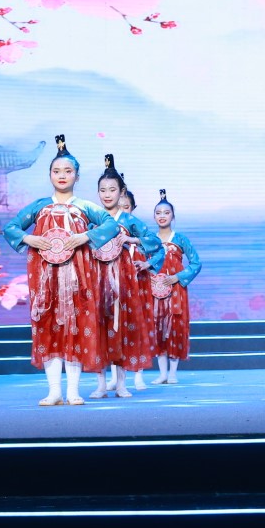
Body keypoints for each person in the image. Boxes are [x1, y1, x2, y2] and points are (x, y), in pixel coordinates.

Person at [1, 136, 115, 405]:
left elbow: (110, 224)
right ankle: (54, 391)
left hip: (78, 277)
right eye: (56, 171)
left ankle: (73, 391)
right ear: (50, 175)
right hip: (45, 278)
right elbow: (11, 227)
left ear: (77, 176)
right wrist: (29, 238)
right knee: (47, 327)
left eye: (68, 171)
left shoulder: (85, 206)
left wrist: (85, 236)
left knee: (76, 327)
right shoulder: (40, 206)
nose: (62, 175)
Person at [90, 161, 164, 398]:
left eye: (112, 190)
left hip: (123, 280)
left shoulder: (129, 220)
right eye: (102, 190)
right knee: (98, 329)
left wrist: (132, 240)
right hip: (97, 278)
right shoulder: (93, 217)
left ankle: (121, 384)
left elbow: (155, 242)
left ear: (121, 192)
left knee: (120, 329)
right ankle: (101, 384)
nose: (107, 194)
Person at [148, 190, 202, 385]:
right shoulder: (149, 240)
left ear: (173, 216)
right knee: (157, 327)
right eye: (158, 213)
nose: (162, 216)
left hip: (176, 290)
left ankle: (172, 373)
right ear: (154, 216)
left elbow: (196, 263)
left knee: (174, 327)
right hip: (154, 292)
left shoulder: (180, 239)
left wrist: (177, 277)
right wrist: (150, 278)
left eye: (166, 212)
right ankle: (162, 373)